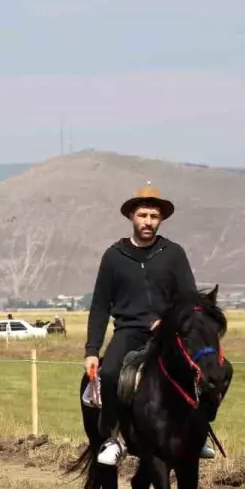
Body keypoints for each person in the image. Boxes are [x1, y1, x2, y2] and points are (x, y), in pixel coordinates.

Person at [84, 184, 214, 466]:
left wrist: (167, 322)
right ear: (132, 215)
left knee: (205, 370)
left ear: (161, 220)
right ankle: (112, 438)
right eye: (143, 215)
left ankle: (199, 435)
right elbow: (99, 306)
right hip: (128, 332)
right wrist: (92, 349)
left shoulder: (173, 253)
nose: (148, 222)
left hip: (167, 334)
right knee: (108, 374)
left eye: (154, 216)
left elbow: (189, 299)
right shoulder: (114, 256)